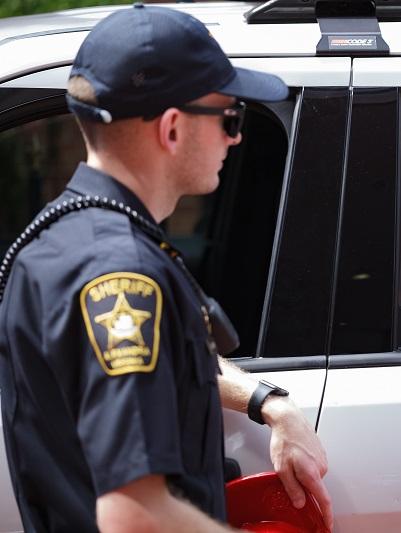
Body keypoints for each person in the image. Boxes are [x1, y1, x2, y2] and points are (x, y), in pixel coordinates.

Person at [0, 5, 332, 532]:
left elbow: (145, 354)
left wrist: (269, 403)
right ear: (173, 127)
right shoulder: (122, 274)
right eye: (230, 117)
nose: (235, 137)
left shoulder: (60, 241)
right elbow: (135, 514)